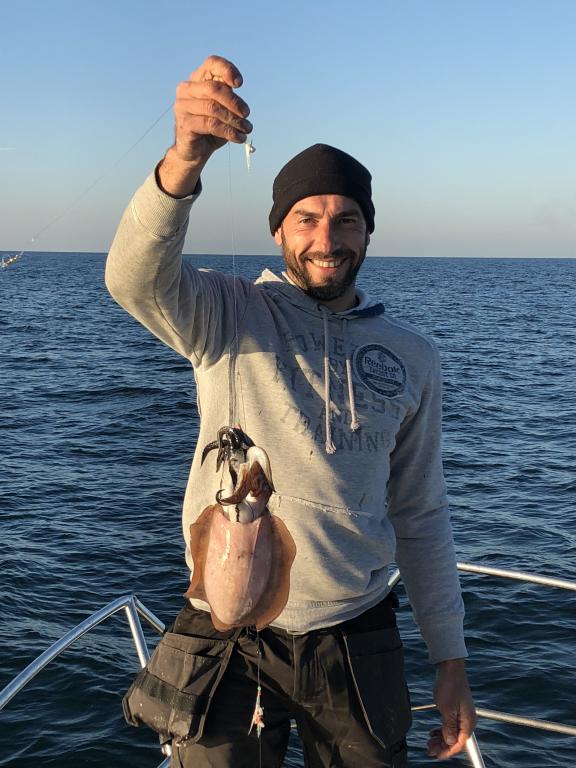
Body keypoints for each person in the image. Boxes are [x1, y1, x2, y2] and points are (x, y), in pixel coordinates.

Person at [106, 55, 476, 768]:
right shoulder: (223, 313)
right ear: (279, 231)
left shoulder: (413, 355)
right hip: (224, 628)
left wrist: (450, 658)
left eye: (347, 219)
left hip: (354, 632)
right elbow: (132, 277)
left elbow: (422, 512)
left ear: (370, 232)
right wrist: (184, 160)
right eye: (306, 218)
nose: (326, 237)